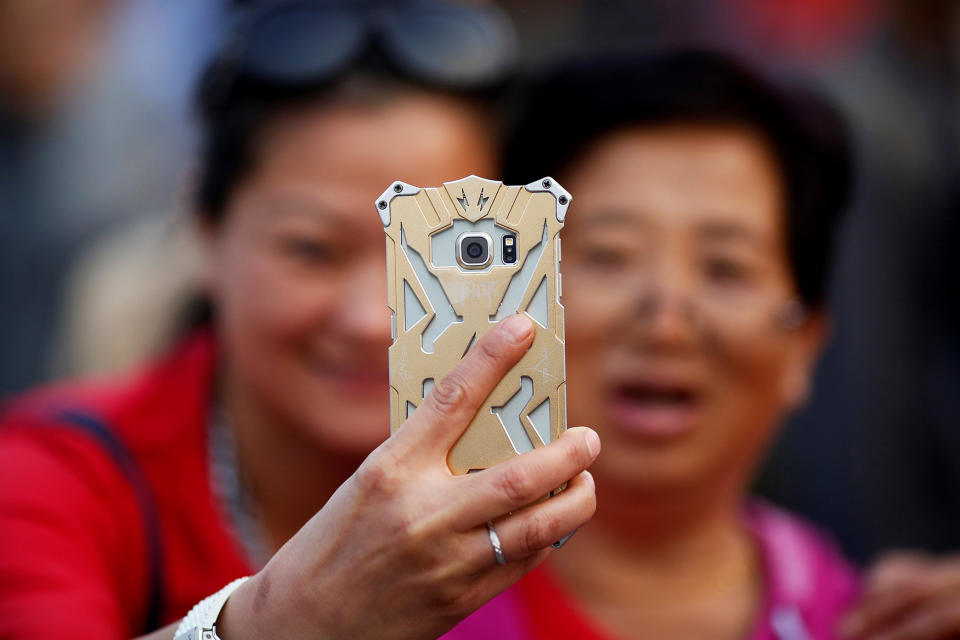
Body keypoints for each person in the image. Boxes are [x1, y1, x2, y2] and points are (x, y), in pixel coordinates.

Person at [0, 3, 600, 639]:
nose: (373, 319)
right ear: (204, 231)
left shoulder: (572, 500)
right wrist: (292, 620)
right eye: (311, 249)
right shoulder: (48, 481)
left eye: (435, 257)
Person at [446, 50, 858, 640]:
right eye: (609, 256)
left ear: (804, 344)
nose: (665, 324)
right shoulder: (395, 610)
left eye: (726, 268)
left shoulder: (871, 621)